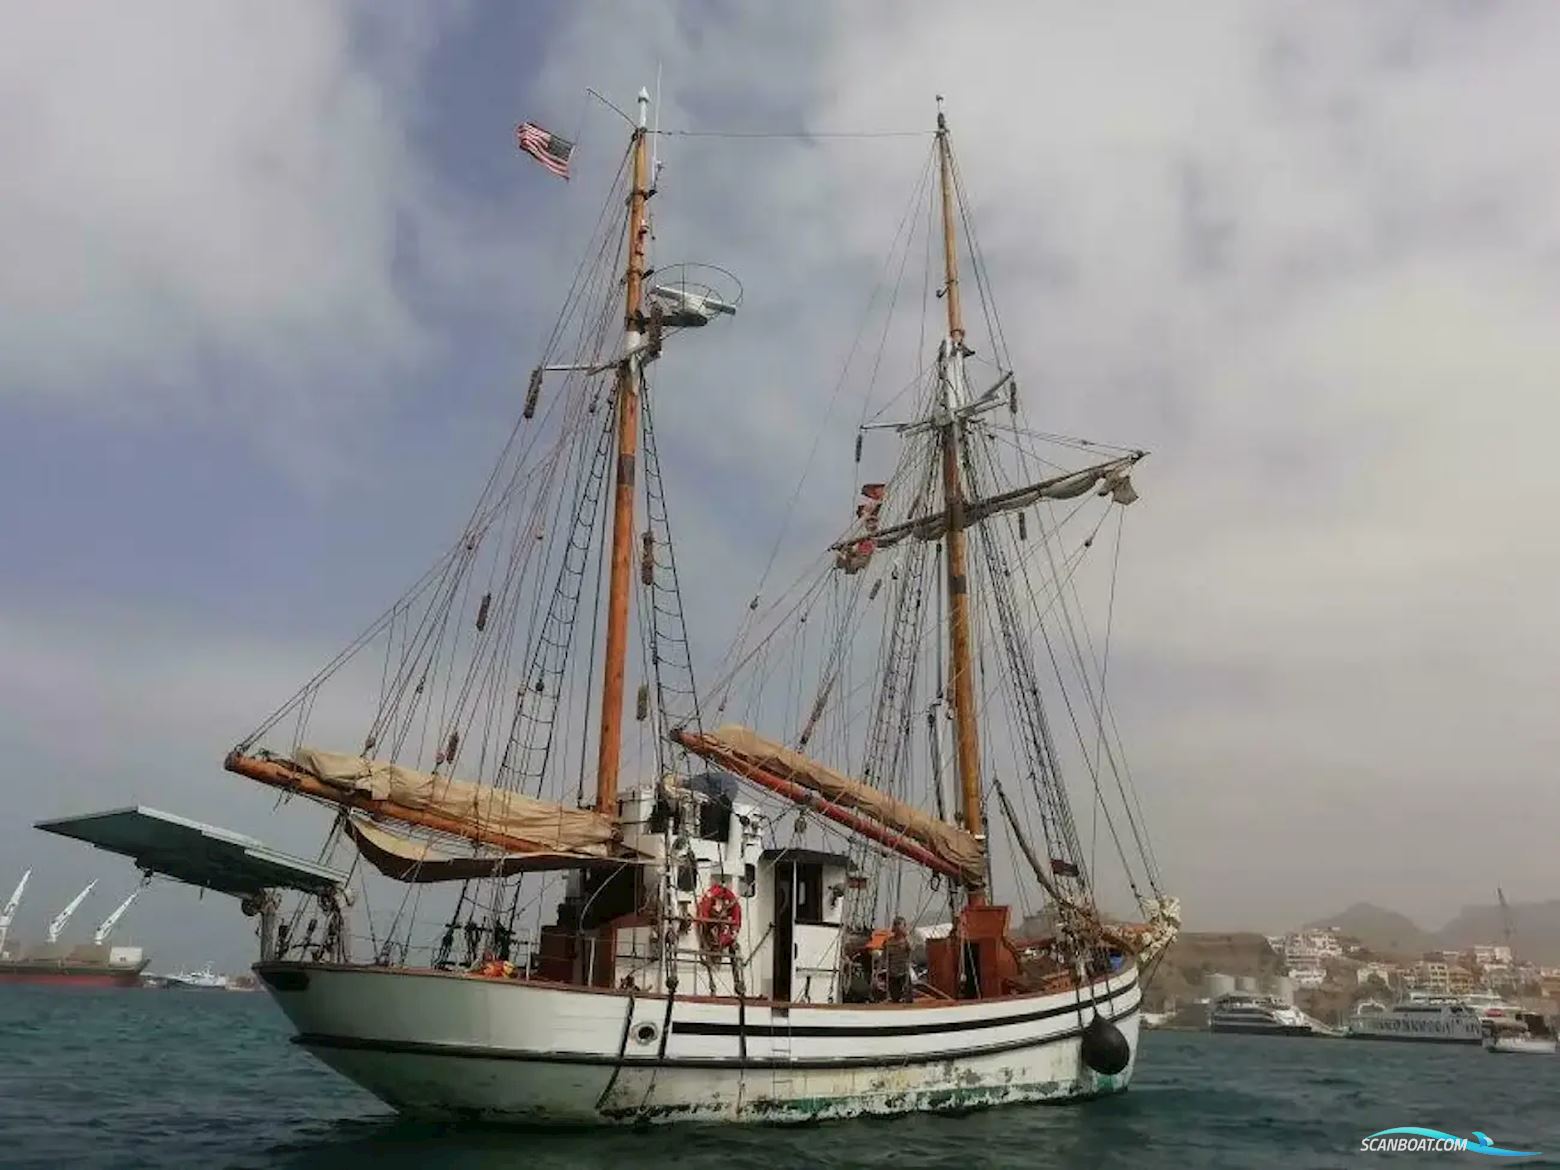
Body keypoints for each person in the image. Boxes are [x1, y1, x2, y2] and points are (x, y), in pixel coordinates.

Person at [883, 916, 914, 1003]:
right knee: (895, 998)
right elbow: (883, 957)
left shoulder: (906, 940)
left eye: (899, 924)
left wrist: (906, 935)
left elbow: (911, 948)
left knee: (908, 998)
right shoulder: (889, 941)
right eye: (895, 924)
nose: (897, 926)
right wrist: (877, 974)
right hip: (892, 973)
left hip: (904, 973)